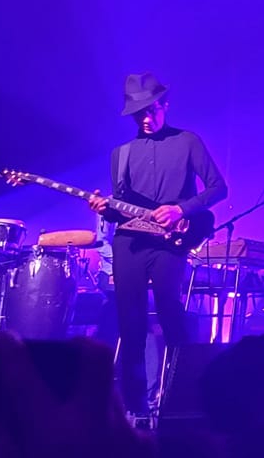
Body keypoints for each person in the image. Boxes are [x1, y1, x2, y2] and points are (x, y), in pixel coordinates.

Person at [89, 73, 227, 417]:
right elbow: (120, 209)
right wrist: (104, 208)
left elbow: (218, 188)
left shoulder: (188, 142)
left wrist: (181, 209)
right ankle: (134, 408)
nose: (145, 119)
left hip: (169, 242)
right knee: (130, 322)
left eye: (150, 111)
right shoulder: (121, 154)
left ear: (164, 105)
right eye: (138, 114)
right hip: (130, 242)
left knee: (171, 313)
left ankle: (184, 398)